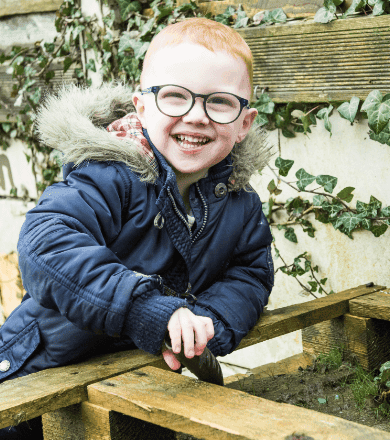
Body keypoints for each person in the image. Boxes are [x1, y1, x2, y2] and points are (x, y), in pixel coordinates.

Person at [0, 18, 274, 439]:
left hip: (139, 381)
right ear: (142, 108)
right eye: (175, 97)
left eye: (219, 102)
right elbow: (46, 246)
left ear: (244, 123)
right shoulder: (109, 175)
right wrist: (145, 309)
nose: (196, 116)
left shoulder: (239, 202)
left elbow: (250, 273)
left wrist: (203, 324)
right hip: (38, 376)